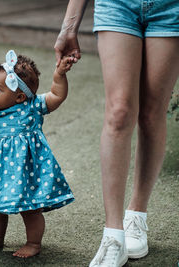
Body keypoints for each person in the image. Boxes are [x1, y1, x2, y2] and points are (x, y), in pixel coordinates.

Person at [55, 0, 179, 266]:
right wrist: (69, 24)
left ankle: (136, 215)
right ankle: (113, 235)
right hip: (118, 4)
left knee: (151, 113)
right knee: (119, 111)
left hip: (172, 7)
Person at [0, 49, 76, 258]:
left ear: (21, 96)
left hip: (28, 169)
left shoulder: (32, 106)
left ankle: (33, 242)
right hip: (0, 168)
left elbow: (57, 95)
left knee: (30, 208)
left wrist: (59, 75)